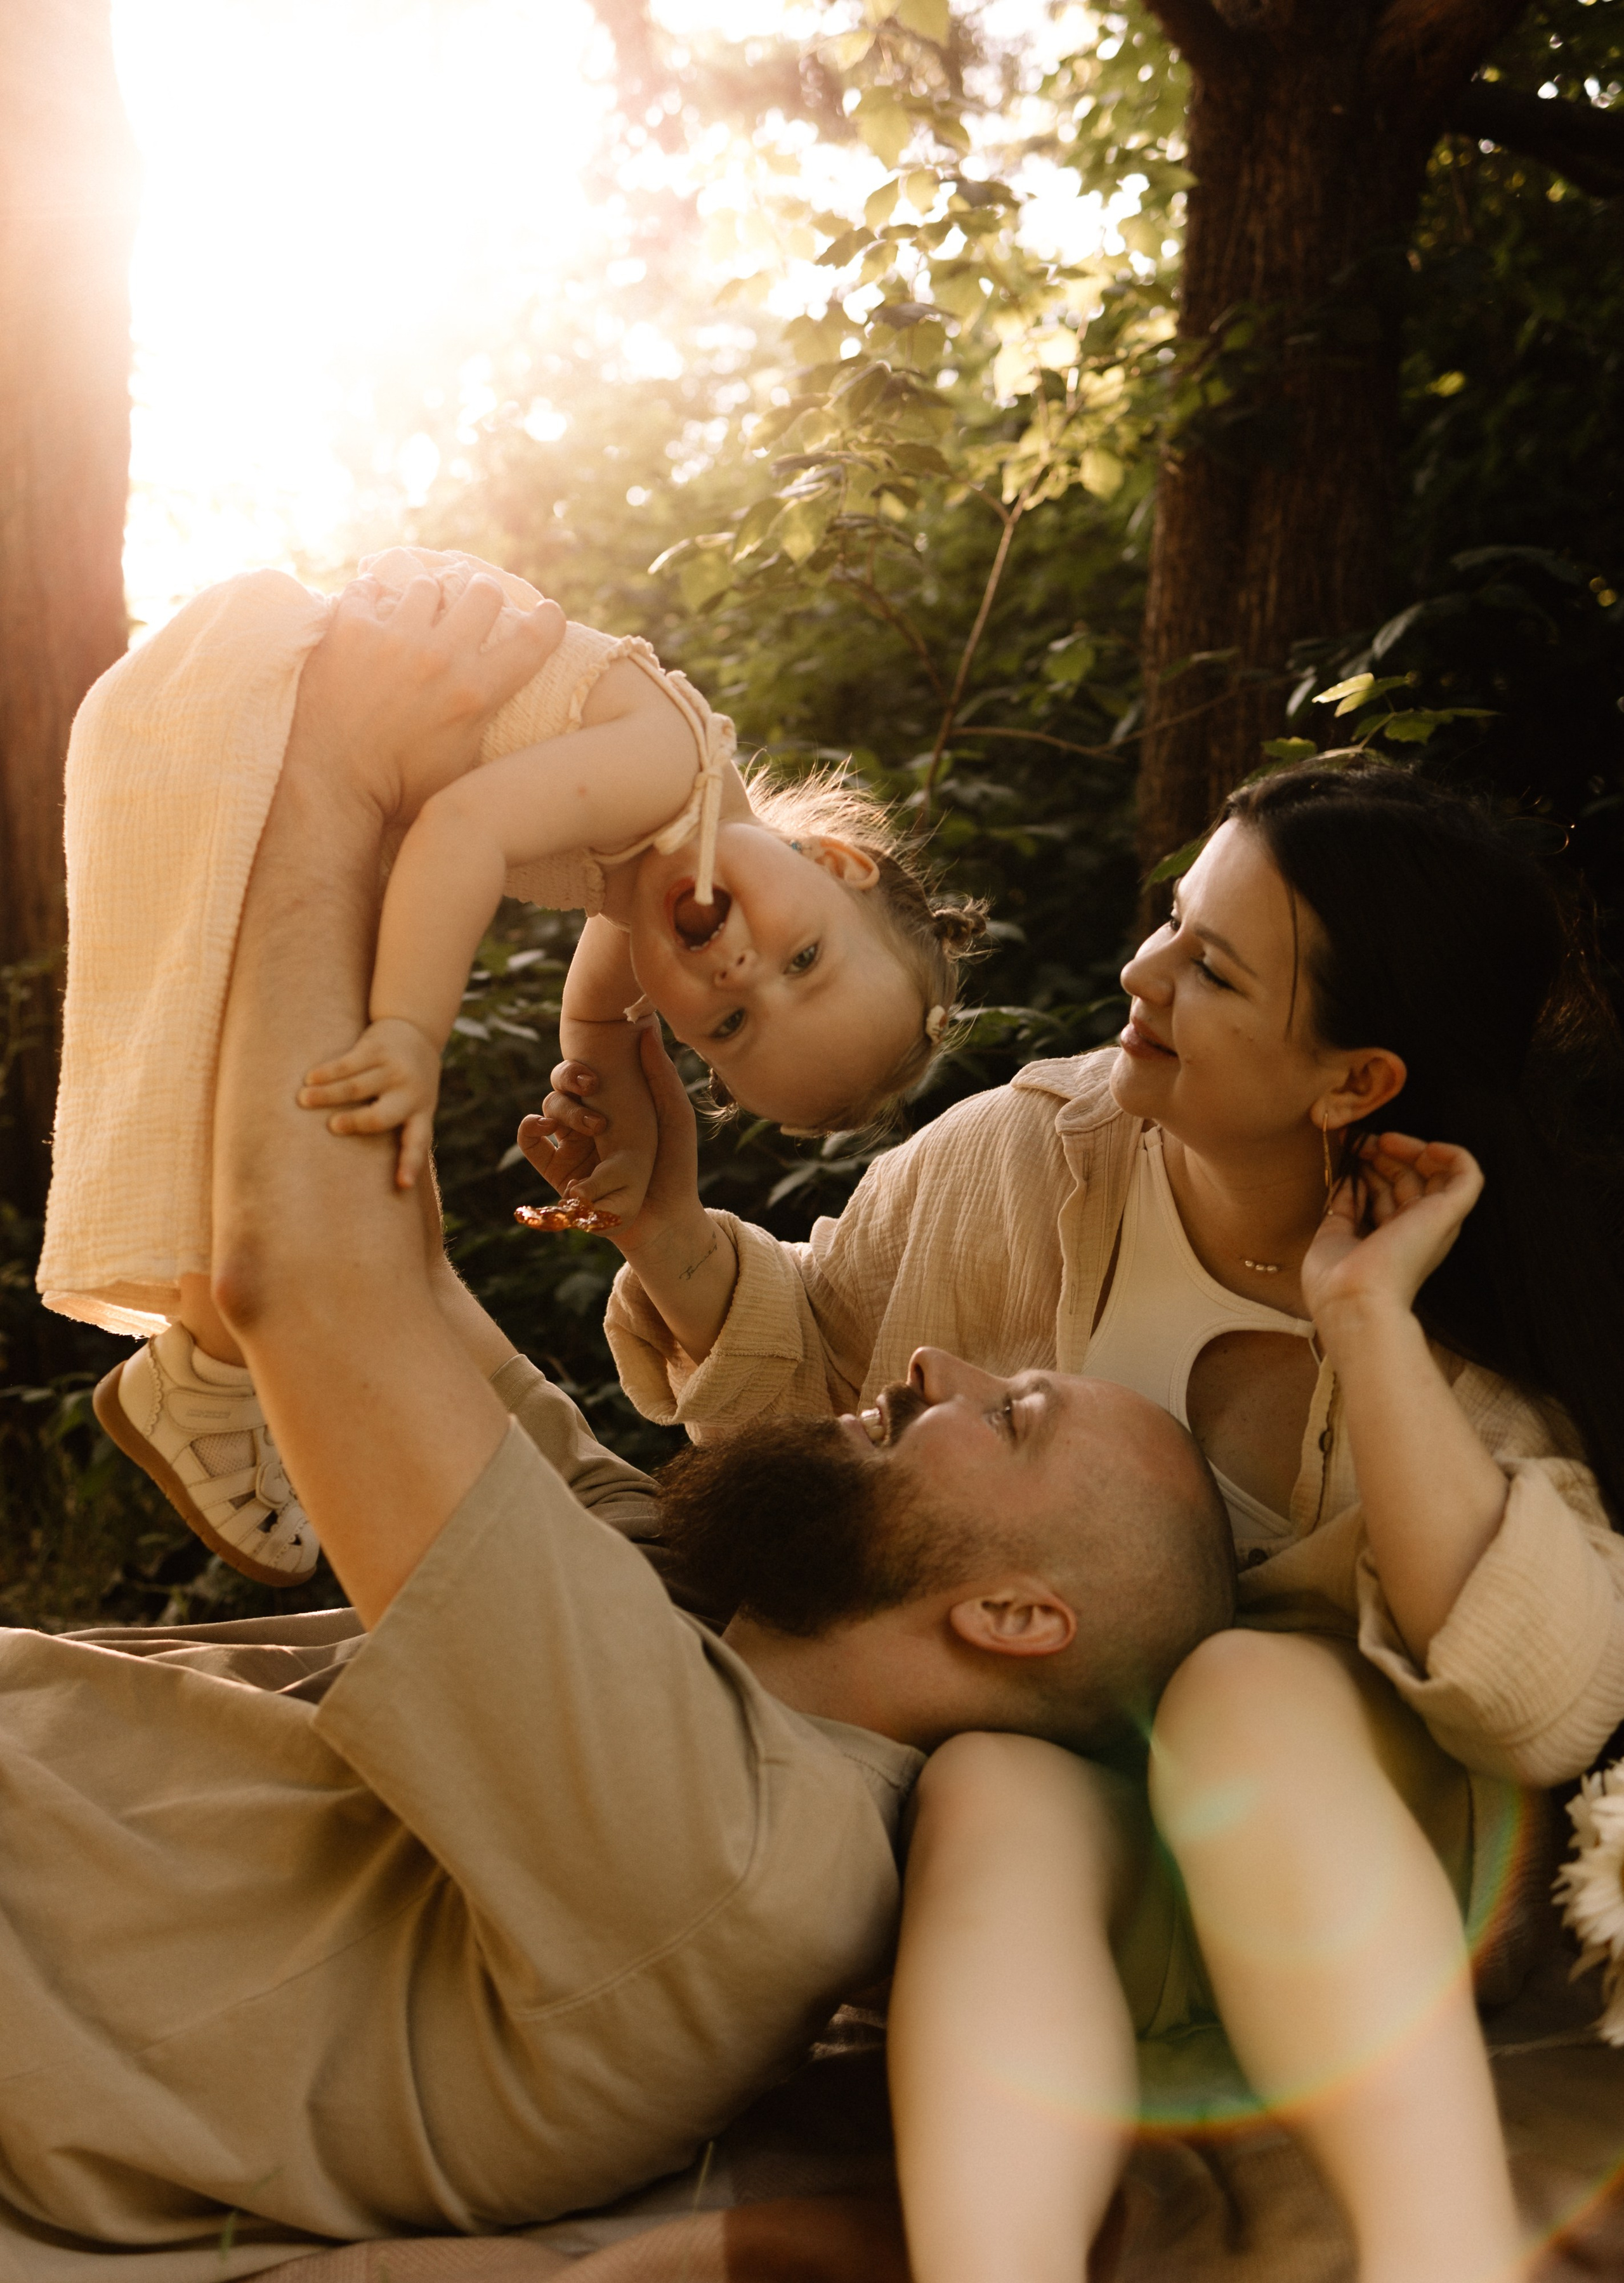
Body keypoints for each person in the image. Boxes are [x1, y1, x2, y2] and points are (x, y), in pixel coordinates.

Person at [0, 573, 1233, 2277]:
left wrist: (340, 770)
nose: (936, 1369)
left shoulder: (729, 1844)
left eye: (1012, 1412)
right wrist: (660, 1212)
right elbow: (393, 1287)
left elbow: (303, 1281)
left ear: (1016, 1617)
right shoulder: (696, 1618)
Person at [539, 757, 1624, 2280]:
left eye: (1210, 968)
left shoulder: (1457, 1321)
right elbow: (817, 1361)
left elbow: (1534, 1700)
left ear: (1355, 1081)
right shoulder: (1028, 1156)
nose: (1141, 972)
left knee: (1239, 1681)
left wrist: (1364, 1315)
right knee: (988, 1774)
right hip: (1091, 1880)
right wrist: (663, 1228)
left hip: (1342, 1887)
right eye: (1174, 921)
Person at [37, 547, 983, 1588]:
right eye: (804, 959)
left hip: (276, 726)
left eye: (728, 1029)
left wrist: (613, 1143)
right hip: (253, 708)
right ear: (839, 864)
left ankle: (205, 1365)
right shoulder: (670, 772)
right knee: (309, 1088)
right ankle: (212, 1368)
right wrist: (409, 1033)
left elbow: (598, 1020)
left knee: (262, 1093)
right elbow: (462, 827)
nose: (741, 971)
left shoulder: (656, 868)